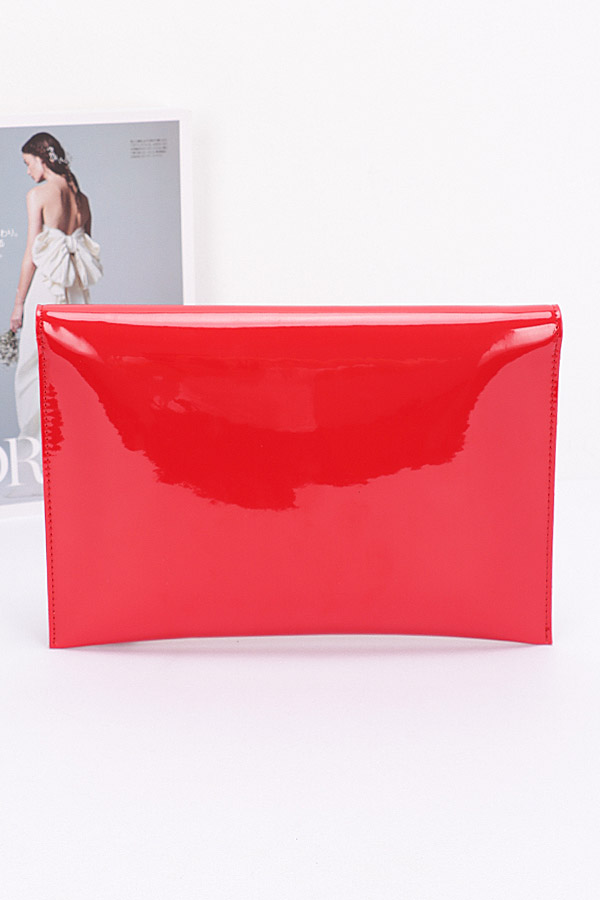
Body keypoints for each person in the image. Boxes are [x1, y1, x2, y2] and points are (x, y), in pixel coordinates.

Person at [9, 132, 103, 454]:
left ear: (42, 158)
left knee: (34, 368)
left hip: (47, 291)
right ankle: (74, 447)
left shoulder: (38, 194)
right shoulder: (83, 199)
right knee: (73, 369)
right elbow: (86, 248)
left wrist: (18, 305)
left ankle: (37, 451)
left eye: (28, 163)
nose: (27, 171)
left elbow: (31, 255)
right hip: (77, 296)